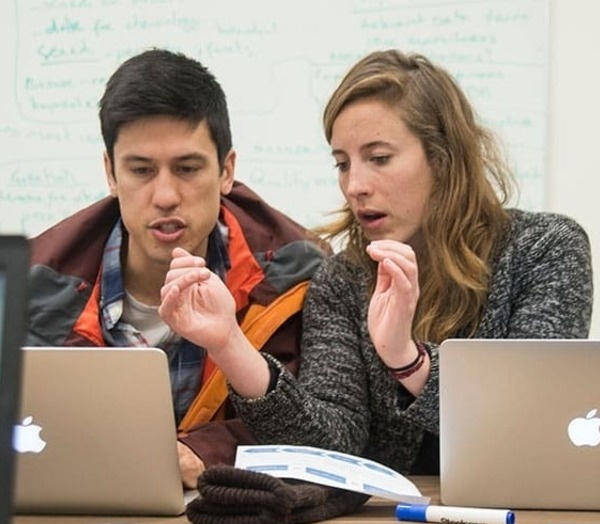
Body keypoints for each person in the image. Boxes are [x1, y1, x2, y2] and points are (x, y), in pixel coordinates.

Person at [159, 49, 593, 477]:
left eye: (379, 158)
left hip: (515, 522)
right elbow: (327, 443)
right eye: (342, 164)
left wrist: (408, 360)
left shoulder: (545, 249)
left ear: (442, 160)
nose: (355, 186)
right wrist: (228, 344)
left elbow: (524, 424)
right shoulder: (343, 279)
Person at [26, 48, 329, 488]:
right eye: (141, 170)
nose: (165, 195)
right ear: (111, 174)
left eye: (187, 169)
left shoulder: (298, 274)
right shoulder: (31, 284)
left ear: (226, 171)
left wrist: (205, 452)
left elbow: (322, 426)